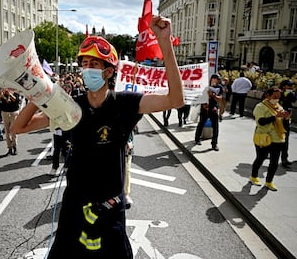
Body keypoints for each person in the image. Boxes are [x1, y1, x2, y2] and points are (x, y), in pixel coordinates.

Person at [10, 15, 184, 258]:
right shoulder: (71, 106)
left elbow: (175, 100)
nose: (87, 69)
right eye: (85, 63)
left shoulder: (124, 104)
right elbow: (18, 128)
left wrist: (164, 42)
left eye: (95, 64)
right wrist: (39, 91)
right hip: (74, 207)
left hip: (109, 209)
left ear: (109, 72)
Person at [250, 87, 289, 191]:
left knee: (274, 162)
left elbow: (284, 124)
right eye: (274, 96)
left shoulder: (279, 107)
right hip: (264, 137)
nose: (276, 99)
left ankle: (269, 182)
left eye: (278, 97)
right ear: (268, 95)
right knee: (260, 158)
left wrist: (286, 118)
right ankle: (254, 176)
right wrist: (276, 116)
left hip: (278, 139)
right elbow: (261, 122)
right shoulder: (260, 106)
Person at [194, 74, 223, 151]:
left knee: (215, 127)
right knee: (201, 124)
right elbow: (200, 96)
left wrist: (213, 95)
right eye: (216, 79)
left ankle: (214, 144)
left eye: (218, 79)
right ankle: (197, 139)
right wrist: (203, 104)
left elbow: (220, 99)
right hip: (205, 108)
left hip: (213, 109)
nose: (217, 81)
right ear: (212, 79)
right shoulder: (205, 86)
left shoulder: (219, 87)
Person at [0, 88, 21, 155]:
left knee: (14, 131)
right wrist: (1, 95)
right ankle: (9, 148)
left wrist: (10, 94)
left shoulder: (14, 89)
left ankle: (14, 147)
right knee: (7, 131)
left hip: (14, 112)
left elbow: (16, 100)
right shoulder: (0, 91)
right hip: (5, 112)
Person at [279, 79, 296, 168]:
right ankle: (267, 153)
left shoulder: (291, 94)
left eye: (291, 86)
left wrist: (291, 93)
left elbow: (294, 100)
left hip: (286, 119)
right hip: (277, 119)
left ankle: (284, 159)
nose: (290, 87)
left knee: (285, 140)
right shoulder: (277, 93)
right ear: (283, 86)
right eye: (288, 85)